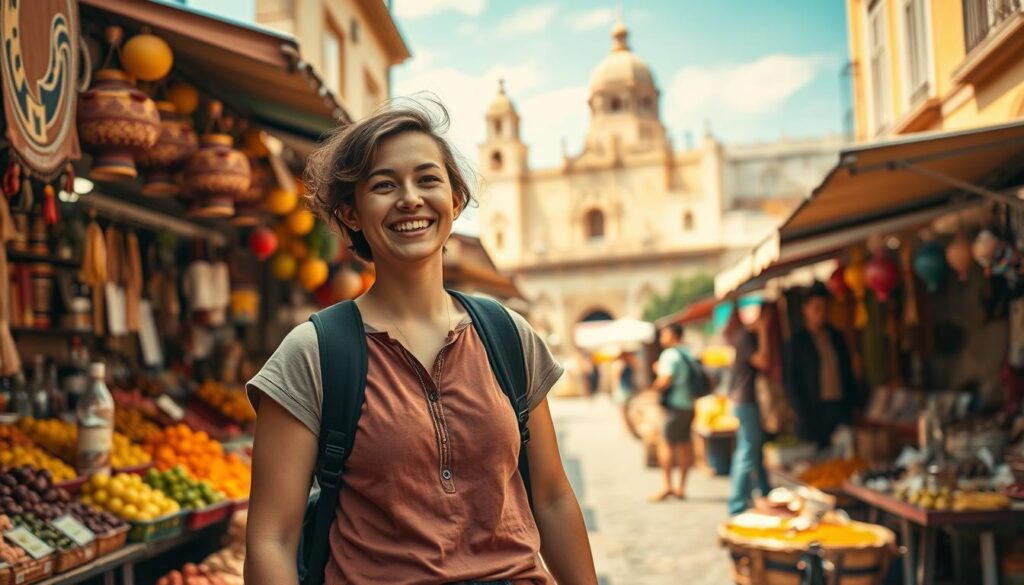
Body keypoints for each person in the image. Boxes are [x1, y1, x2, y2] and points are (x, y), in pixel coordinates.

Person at [244, 101, 597, 585]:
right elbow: (271, 539)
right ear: (350, 212)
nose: (409, 199)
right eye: (384, 185)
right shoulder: (314, 354)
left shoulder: (507, 335)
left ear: (455, 201)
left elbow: (553, 498)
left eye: (427, 180)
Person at [783, 282, 858, 449]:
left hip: (839, 407)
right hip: (813, 411)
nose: (822, 313)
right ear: (805, 310)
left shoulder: (836, 337)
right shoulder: (798, 342)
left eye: (825, 308)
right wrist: (801, 411)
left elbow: (847, 372)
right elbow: (790, 380)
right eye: (816, 308)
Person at [727, 297, 772, 516]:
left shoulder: (746, 336)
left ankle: (765, 493)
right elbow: (763, 361)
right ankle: (736, 504)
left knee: (754, 450)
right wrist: (763, 331)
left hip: (746, 400)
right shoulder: (746, 337)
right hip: (745, 400)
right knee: (747, 451)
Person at [649, 324, 698, 501]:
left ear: (673, 335)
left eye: (664, 333)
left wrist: (654, 386)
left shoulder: (669, 354)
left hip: (675, 406)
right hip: (689, 405)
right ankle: (681, 487)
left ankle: (667, 485)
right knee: (684, 444)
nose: (661, 337)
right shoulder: (687, 352)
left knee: (666, 443)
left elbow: (665, 380)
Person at [611, 349, 640, 435]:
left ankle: (627, 429)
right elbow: (636, 370)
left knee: (623, 411)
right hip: (629, 388)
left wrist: (614, 390)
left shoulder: (619, 364)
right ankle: (630, 428)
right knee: (628, 410)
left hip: (622, 389)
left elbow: (615, 378)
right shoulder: (629, 363)